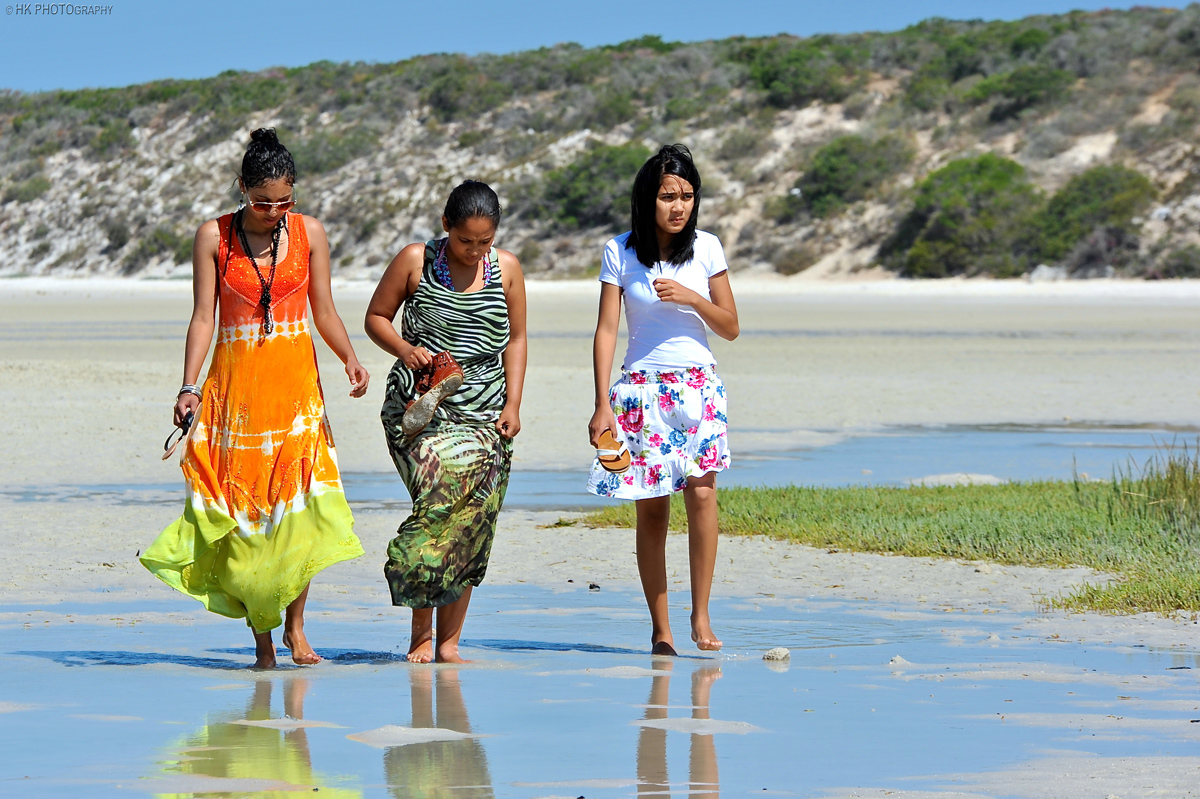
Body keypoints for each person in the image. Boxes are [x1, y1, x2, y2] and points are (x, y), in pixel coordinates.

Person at [141, 128, 370, 669]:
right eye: (262, 201)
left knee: (300, 514)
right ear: (242, 188)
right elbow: (203, 317)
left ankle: (296, 629)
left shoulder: (309, 231)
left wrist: (349, 358)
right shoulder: (213, 236)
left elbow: (325, 309)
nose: (274, 211)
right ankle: (262, 642)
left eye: (284, 201)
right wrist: (188, 385)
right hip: (236, 398)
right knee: (247, 520)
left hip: (297, 395)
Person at [365, 180, 527, 664]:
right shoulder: (417, 260)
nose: (475, 251)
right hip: (421, 402)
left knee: (474, 518)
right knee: (440, 506)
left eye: (485, 242)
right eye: (465, 241)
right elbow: (377, 317)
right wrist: (406, 350)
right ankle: (421, 638)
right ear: (445, 227)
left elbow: (516, 340)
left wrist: (513, 404)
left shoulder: (508, 270)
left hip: (486, 408)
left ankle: (450, 643)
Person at [587, 144, 739, 655]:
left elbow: (731, 327)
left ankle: (701, 614)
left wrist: (693, 298)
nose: (679, 206)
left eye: (688, 196)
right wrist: (601, 402)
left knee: (702, 495)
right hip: (641, 390)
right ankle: (661, 628)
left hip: (699, 387)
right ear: (647, 199)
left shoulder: (709, 249)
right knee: (652, 512)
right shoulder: (620, 251)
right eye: (668, 196)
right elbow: (607, 329)